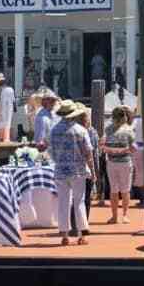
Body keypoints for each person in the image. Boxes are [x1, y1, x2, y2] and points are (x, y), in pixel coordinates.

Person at [48, 100, 92, 246]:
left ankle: (65, 234)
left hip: (60, 169)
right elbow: (88, 152)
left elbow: (51, 152)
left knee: (63, 201)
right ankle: (81, 234)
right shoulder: (80, 130)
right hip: (78, 170)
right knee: (79, 201)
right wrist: (92, 169)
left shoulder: (54, 130)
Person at [102, 106, 136, 224]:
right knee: (121, 190)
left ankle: (118, 215)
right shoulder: (127, 129)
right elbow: (133, 148)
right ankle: (120, 215)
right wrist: (121, 150)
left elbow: (133, 148)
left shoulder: (110, 129)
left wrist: (112, 150)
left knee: (118, 190)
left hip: (116, 162)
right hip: (121, 163)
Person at [0, 74, 15, 142]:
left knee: (2, 124)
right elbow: (13, 101)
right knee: (7, 123)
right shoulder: (10, 89)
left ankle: (2, 139)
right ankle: (6, 139)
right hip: (8, 109)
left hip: (2, 110)